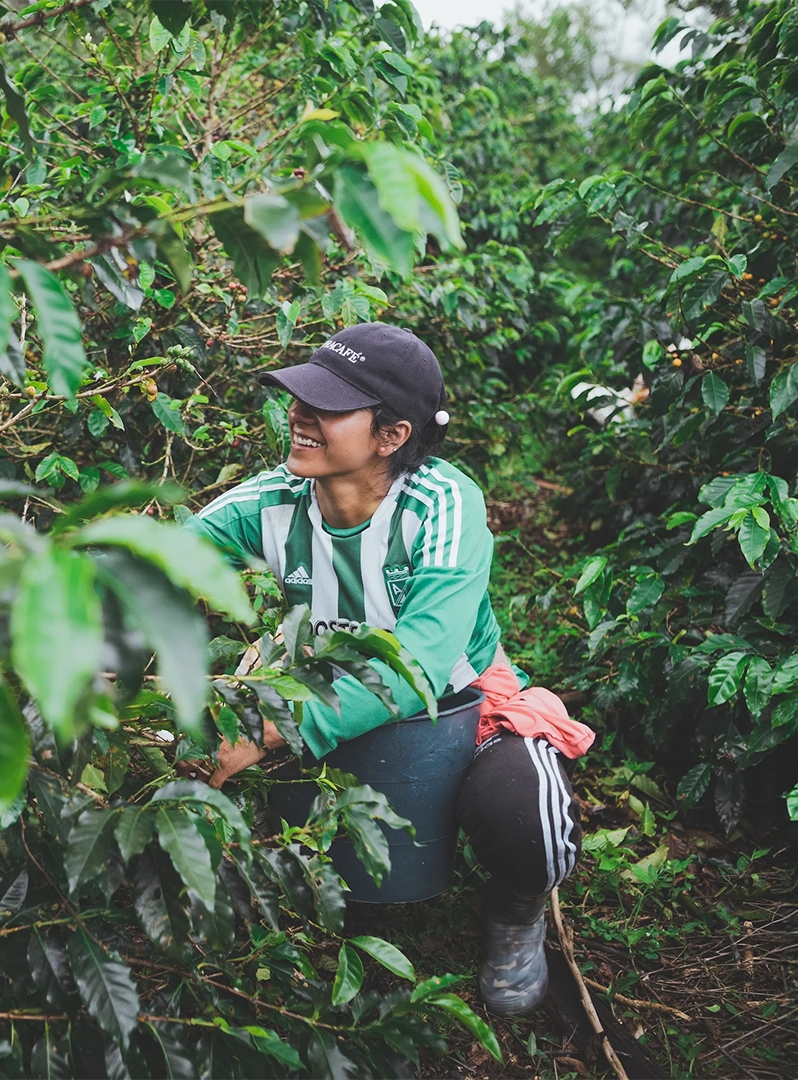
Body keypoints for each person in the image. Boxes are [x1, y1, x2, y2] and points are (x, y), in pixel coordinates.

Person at [188, 322, 588, 1017]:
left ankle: (517, 911)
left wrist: (275, 729)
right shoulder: (273, 501)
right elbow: (157, 557)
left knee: (529, 816)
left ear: (392, 436)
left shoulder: (439, 503)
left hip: (459, 711)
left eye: (329, 406)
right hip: (323, 701)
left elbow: (422, 663)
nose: (300, 415)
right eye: (300, 397)